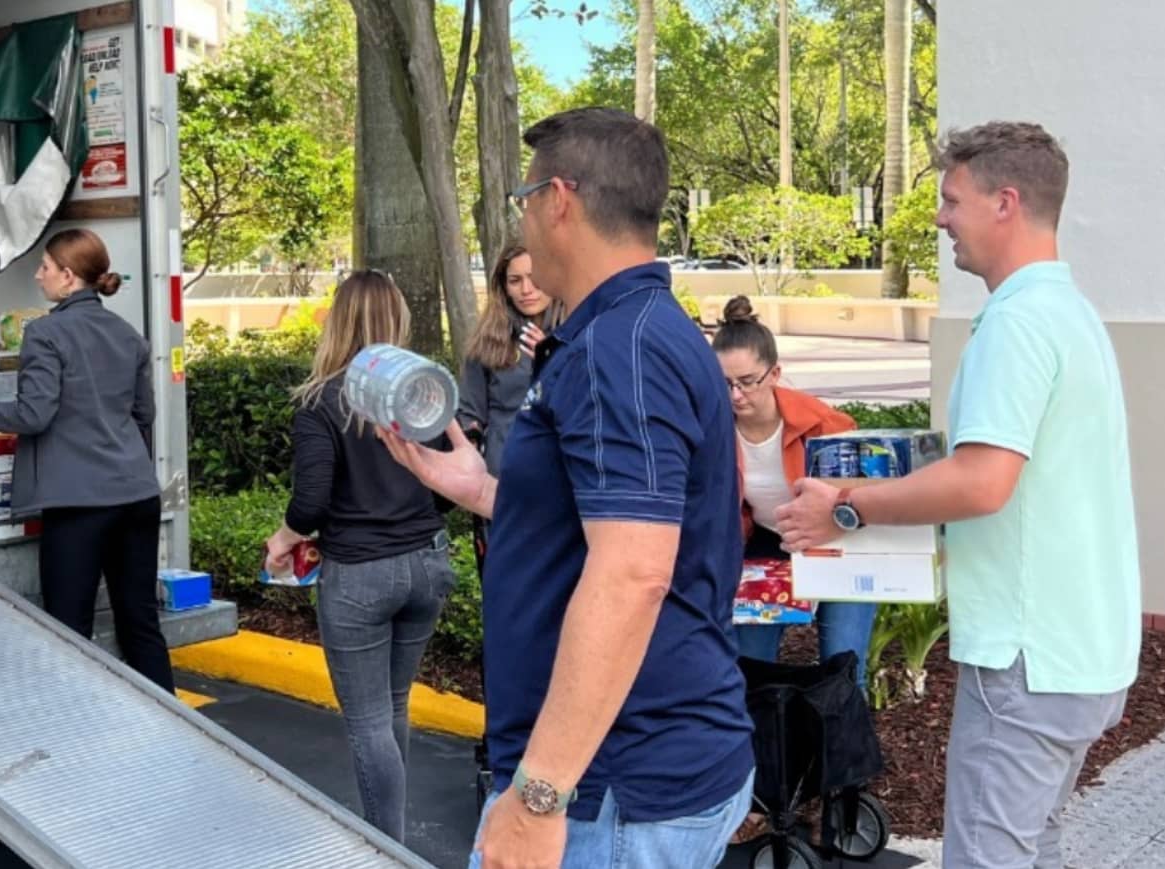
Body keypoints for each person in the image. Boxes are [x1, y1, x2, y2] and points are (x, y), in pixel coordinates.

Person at [381, 107, 753, 869]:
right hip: (624, 777)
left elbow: (632, 573)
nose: (519, 218)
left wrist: (540, 793)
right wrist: (486, 491)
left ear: (558, 199)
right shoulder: (632, 331)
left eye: (521, 198)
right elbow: (615, 531)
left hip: (613, 789)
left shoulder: (623, 349)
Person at [776, 122, 1139, 869]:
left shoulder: (1016, 323)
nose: (940, 217)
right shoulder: (1070, 315)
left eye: (950, 199)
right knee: (1032, 847)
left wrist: (845, 503)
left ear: (1004, 202)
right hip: (1081, 655)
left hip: (1025, 660)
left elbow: (981, 481)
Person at [262, 270, 457, 843]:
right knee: (394, 707)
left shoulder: (322, 400)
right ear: (395, 318)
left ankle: (385, 848)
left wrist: (283, 540)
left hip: (360, 576)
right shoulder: (425, 393)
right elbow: (449, 484)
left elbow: (310, 504)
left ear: (338, 321)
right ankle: (391, 838)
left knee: (369, 722)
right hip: (427, 562)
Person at [0, 229, 175, 693]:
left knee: (68, 632)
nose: (39, 276)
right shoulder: (129, 335)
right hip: (137, 494)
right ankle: (171, 730)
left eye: (46, 267)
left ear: (69, 277)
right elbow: (144, 415)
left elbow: (34, 413)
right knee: (140, 621)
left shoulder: (46, 332)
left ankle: (77, 737)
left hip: (79, 503)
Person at [712, 296, 870, 683]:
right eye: (724, 384)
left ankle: (840, 745)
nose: (736, 396)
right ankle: (764, 744)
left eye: (748, 382)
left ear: (775, 373)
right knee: (751, 667)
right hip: (767, 541)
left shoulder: (823, 424)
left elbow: (866, 493)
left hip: (840, 543)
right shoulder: (713, 426)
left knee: (844, 669)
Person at [459, 245, 565, 476]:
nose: (526, 290)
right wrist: (472, 444)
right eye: (515, 281)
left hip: (560, 473)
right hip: (502, 473)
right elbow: (471, 411)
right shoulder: (487, 341)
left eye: (534, 278)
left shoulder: (576, 333)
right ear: (504, 287)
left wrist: (553, 360)